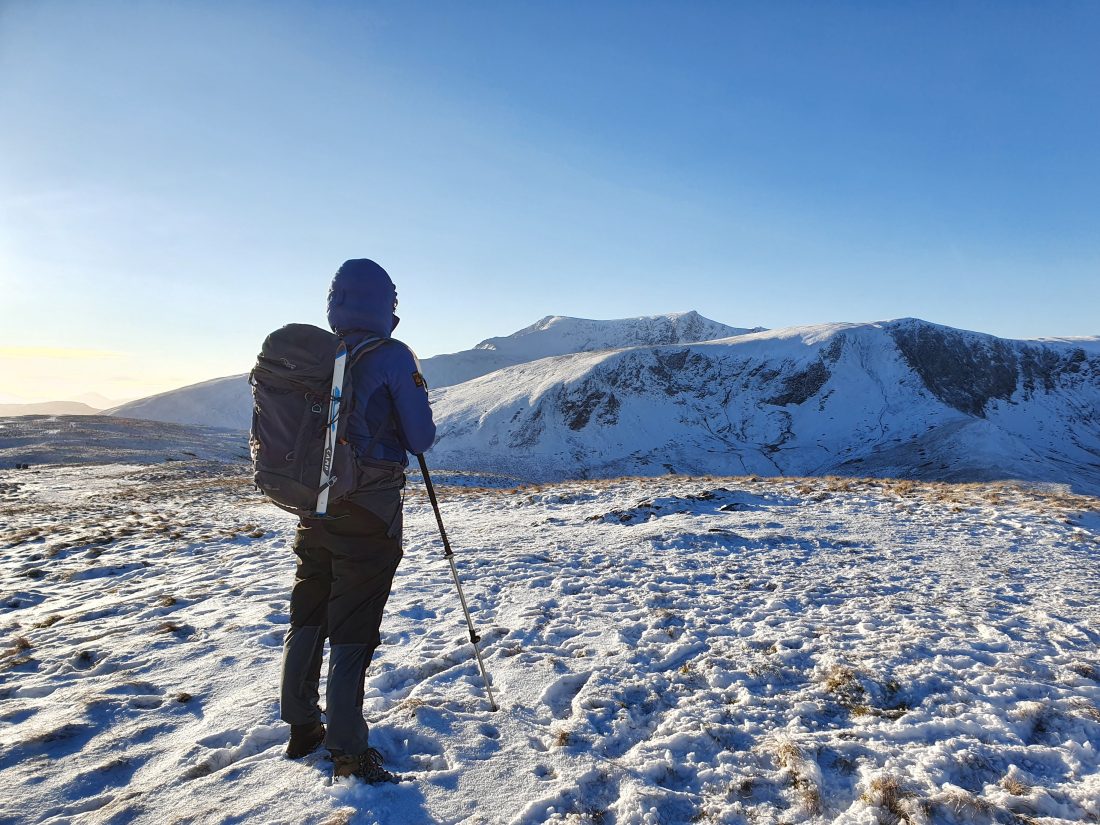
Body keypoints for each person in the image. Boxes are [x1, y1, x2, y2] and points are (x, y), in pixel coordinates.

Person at [279, 258, 436, 783]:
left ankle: (302, 726)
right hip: (369, 512)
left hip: (312, 508)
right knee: (353, 628)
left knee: (310, 615)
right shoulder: (391, 355)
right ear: (386, 304)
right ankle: (348, 750)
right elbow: (420, 438)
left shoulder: (319, 358)